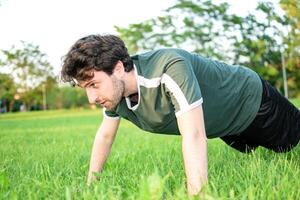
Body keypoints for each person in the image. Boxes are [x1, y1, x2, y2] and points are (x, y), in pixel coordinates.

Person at [61, 34, 300, 195]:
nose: (92, 99)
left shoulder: (168, 68)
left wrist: (196, 194)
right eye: (86, 89)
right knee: (256, 159)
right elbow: (105, 137)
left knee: (290, 145)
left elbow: (194, 134)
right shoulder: (113, 95)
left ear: (119, 68)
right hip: (224, 126)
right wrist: (91, 186)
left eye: (94, 85)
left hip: (251, 101)